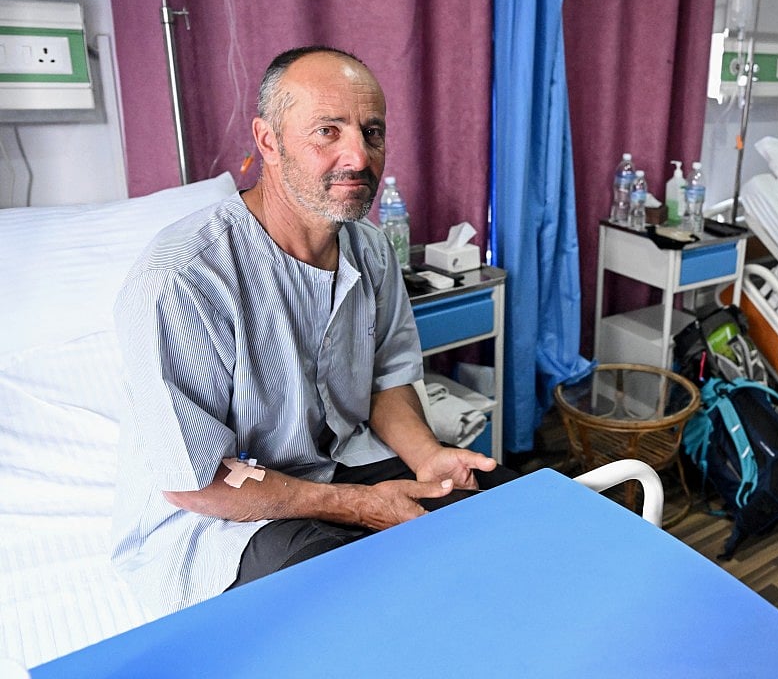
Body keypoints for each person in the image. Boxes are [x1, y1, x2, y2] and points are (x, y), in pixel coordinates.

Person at [112, 46, 508, 616]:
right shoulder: (182, 280)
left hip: (338, 461)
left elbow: (386, 382)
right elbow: (193, 482)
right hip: (220, 514)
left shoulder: (369, 248)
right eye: (328, 130)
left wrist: (428, 458)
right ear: (268, 141)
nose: (359, 155)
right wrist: (360, 506)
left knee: (489, 506)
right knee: (349, 593)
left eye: (372, 133)